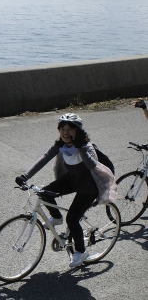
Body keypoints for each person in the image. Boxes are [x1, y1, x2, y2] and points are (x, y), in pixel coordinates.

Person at [15, 113, 117, 268]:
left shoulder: (87, 147)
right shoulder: (60, 145)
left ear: (79, 131)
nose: (65, 133)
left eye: (70, 129)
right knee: (43, 193)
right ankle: (56, 217)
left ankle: (81, 252)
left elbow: (91, 165)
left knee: (72, 218)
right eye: (62, 129)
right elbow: (44, 158)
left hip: (89, 186)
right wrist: (25, 176)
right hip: (73, 180)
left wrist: (80, 145)